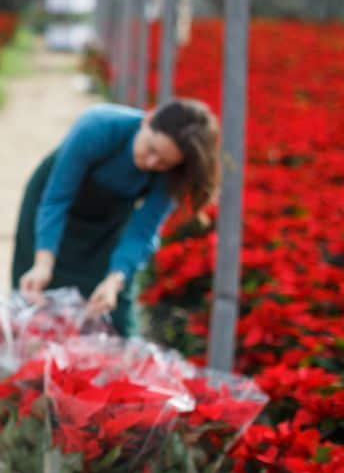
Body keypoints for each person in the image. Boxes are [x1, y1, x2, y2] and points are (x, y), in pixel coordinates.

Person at [11, 99, 219, 337]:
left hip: (108, 218)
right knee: (36, 301)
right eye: (151, 149)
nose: (151, 163)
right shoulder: (98, 127)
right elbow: (58, 198)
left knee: (112, 313)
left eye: (163, 162)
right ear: (147, 120)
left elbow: (143, 231)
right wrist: (43, 263)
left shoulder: (173, 174)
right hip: (51, 207)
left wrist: (113, 281)